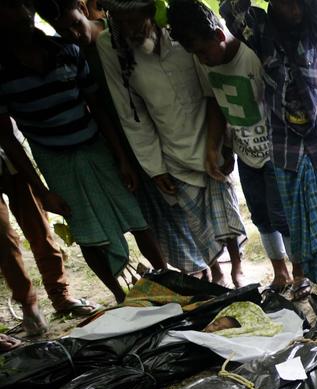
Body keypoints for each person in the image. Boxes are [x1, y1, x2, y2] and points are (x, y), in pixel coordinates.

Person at [0, 0, 167, 304]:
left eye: (25, 21)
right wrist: (42, 191)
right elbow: (8, 140)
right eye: (12, 26)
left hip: (94, 145)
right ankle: (120, 296)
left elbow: (97, 108)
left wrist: (121, 158)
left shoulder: (67, 51)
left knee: (135, 217)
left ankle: (167, 278)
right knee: (87, 232)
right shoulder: (1, 71)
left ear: (32, 17)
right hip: (55, 160)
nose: (22, 29)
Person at [36, 0, 212, 280]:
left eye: (76, 25)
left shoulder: (117, 36)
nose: (74, 35)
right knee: (152, 213)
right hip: (119, 143)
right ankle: (186, 272)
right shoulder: (75, 51)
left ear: (83, 9)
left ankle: (206, 266)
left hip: (157, 134)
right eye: (64, 30)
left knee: (178, 205)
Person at [99, 0, 247, 288]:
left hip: (209, 134)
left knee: (226, 209)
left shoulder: (180, 28)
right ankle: (214, 269)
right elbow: (132, 113)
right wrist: (154, 166)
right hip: (171, 145)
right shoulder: (112, 46)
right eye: (121, 21)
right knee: (195, 219)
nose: (129, 29)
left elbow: (213, 85)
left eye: (134, 20)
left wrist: (223, 144)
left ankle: (237, 266)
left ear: (150, 12)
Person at [165, 0, 302, 295]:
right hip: (245, 154)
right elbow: (215, 103)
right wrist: (216, 148)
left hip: (276, 153)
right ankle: (280, 272)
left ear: (218, 35)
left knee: (283, 217)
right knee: (261, 216)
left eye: (203, 51)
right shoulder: (206, 63)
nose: (201, 60)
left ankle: (300, 272)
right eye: (195, 55)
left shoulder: (253, 54)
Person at [220, 0, 317, 292]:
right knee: (300, 221)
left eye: (298, 4)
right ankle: (312, 277)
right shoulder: (262, 34)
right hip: (288, 146)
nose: (294, 12)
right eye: (284, 4)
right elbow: (231, 11)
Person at [0, 149, 98, 332]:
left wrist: (41, 189)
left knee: (39, 228)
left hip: (9, 160)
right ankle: (29, 305)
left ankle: (60, 295)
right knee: (4, 241)